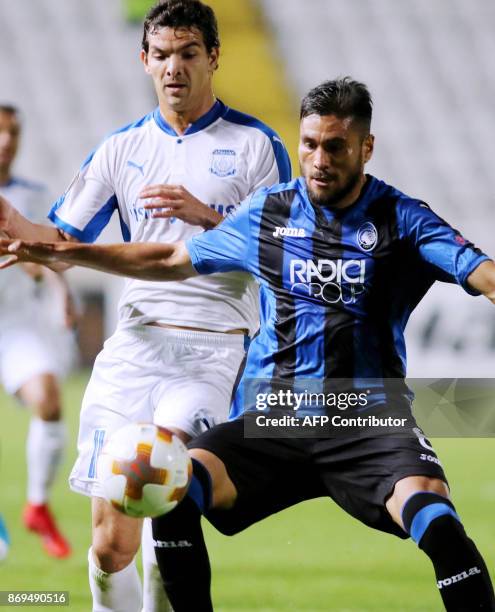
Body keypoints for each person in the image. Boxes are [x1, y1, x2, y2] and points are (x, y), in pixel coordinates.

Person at [3, 77, 494, 611]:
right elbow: (171, 261)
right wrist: (69, 254)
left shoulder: (403, 218)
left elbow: (484, 275)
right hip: (276, 418)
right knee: (173, 487)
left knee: (437, 521)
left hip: (367, 420)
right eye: (309, 144)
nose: (319, 159)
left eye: (335, 146)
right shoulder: (268, 212)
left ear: (365, 148)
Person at [0, 1, 291, 609]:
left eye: (188, 54)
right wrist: (17, 226)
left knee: (162, 503)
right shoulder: (120, 148)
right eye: (161, 55)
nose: (174, 68)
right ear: (144, 61)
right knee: (110, 547)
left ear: (213, 57)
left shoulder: (256, 146)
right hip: (133, 350)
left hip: (211, 352)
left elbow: (285, 257)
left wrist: (208, 218)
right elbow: (62, 241)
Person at [0, 104, 73, 559]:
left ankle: (37, 505)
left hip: (15, 325)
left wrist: (60, 292)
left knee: (48, 398)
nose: (5, 141)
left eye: (12, 133)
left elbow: (49, 259)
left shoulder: (34, 193)